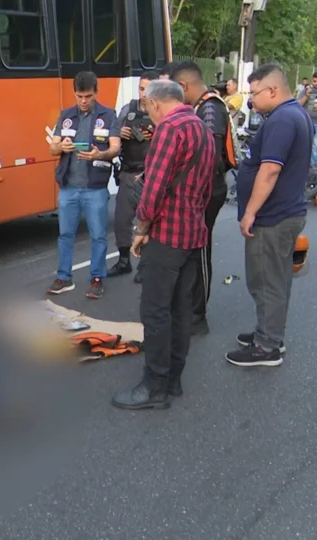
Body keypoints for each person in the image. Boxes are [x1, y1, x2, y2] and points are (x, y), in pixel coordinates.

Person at [111, 79, 216, 410]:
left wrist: (141, 228)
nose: (148, 115)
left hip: (167, 234)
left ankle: (154, 386)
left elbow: (154, 190)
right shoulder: (199, 124)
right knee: (180, 309)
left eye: (147, 107)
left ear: (156, 104)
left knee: (155, 311)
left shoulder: (169, 129)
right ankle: (173, 380)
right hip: (192, 231)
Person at [226, 64, 311, 367]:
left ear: (273, 90)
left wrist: (250, 211)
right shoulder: (291, 114)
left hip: (273, 216)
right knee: (275, 279)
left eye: (255, 93)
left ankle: (267, 346)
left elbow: (270, 169)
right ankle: (269, 333)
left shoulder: (283, 119)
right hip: (284, 212)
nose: (251, 100)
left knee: (266, 281)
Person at [168, 61, 231, 335]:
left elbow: (210, 156)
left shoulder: (209, 107)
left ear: (183, 86)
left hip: (208, 189)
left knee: (200, 251)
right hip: (201, 189)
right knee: (191, 251)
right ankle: (189, 307)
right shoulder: (202, 106)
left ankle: (198, 314)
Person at [46, 71, 122, 299]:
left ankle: (97, 278)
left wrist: (102, 153)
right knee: (65, 235)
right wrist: (62, 147)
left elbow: (116, 147)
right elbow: (53, 147)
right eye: (79, 96)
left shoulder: (108, 115)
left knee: (98, 235)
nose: (83, 101)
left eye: (88, 96)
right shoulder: (66, 115)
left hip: (95, 187)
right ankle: (63, 277)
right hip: (69, 186)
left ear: (96, 93)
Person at [107, 70, 159, 283]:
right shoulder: (128, 109)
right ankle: (124, 261)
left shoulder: (160, 111)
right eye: (141, 88)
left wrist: (154, 134)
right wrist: (120, 133)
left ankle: (146, 265)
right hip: (128, 171)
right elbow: (113, 134)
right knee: (121, 221)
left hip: (150, 174)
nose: (144, 93)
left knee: (149, 223)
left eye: (148, 89)